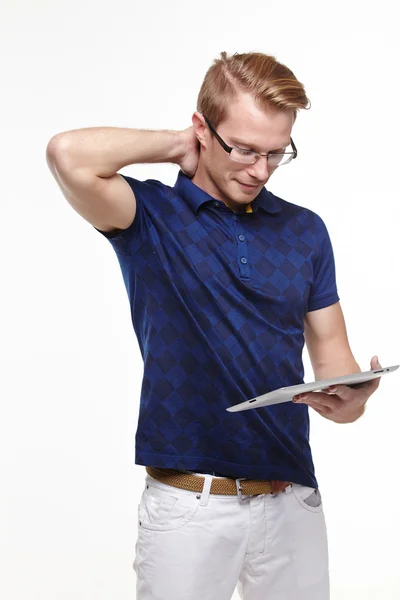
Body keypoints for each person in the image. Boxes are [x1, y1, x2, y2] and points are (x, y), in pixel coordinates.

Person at [46, 51, 382, 600]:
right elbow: (67, 154)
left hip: (292, 500)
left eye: (277, 153)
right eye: (245, 149)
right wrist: (175, 143)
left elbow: (333, 364)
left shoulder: (306, 231)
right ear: (203, 129)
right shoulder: (147, 216)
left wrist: (352, 400)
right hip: (189, 509)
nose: (260, 170)